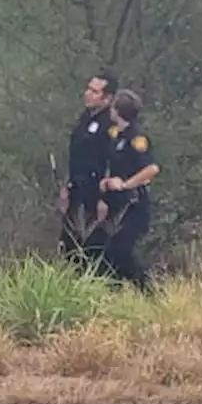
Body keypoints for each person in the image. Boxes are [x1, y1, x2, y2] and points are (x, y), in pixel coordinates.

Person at [98, 89, 160, 292]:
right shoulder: (116, 134)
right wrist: (107, 182)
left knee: (120, 250)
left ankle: (151, 291)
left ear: (117, 110)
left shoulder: (137, 138)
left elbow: (151, 169)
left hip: (134, 205)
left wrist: (125, 184)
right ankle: (112, 295)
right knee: (109, 253)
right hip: (116, 205)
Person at [59, 69, 118, 267]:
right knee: (69, 245)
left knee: (95, 249)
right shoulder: (85, 118)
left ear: (107, 98)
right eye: (88, 89)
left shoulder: (111, 124)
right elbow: (76, 155)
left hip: (96, 194)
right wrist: (66, 187)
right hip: (77, 189)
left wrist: (105, 199)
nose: (88, 94)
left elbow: (113, 162)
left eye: (95, 91)